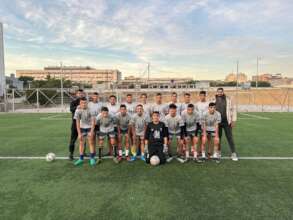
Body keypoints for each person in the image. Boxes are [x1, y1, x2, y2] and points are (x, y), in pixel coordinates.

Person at [214, 88, 238, 161]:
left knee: (230, 137)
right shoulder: (213, 99)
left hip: (227, 122)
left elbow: (233, 109)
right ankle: (218, 152)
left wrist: (233, 120)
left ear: (223, 92)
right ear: (217, 92)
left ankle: (233, 153)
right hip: (217, 122)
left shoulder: (228, 99)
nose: (220, 93)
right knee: (218, 138)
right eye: (219, 92)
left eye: (221, 92)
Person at [73, 97, 96, 166]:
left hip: (89, 127)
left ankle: (92, 158)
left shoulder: (91, 110)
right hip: (82, 127)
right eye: (82, 103)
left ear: (87, 103)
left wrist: (92, 131)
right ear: (80, 103)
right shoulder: (77, 110)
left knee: (91, 142)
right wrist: (79, 133)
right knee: (81, 143)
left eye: (85, 103)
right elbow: (77, 123)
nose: (84, 104)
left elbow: (93, 122)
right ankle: (81, 158)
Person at [68, 89, 84, 160]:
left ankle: (83, 152)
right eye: (79, 93)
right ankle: (71, 154)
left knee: (83, 139)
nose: (80, 94)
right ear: (77, 94)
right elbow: (71, 109)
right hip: (75, 124)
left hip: (83, 124)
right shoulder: (73, 101)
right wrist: (77, 107)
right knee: (73, 139)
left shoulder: (84, 102)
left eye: (81, 93)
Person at [194, 91, 209, 159]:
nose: (202, 97)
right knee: (198, 138)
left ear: (205, 96)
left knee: (205, 138)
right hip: (199, 123)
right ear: (199, 96)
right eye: (201, 96)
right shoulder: (197, 104)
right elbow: (195, 113)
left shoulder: (208, 104)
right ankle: (199, 152)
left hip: (206, 123)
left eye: (203, 95)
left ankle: (206, 152)